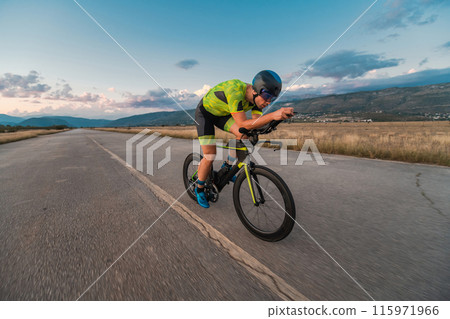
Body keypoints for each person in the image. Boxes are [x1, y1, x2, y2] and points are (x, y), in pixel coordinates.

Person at [194, 70, 294, 208]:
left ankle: (227, 167)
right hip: (205, 114)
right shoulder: (235, 90)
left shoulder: (257, 102)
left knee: (244, 135)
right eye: (267, 96)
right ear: (256, 91)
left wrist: (277, 119)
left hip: (222, 114)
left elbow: (255, 122)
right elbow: (242, 124)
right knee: (210, 155)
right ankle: (199, 189)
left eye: (273, 98)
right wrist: (273, 115)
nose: (268, 101)